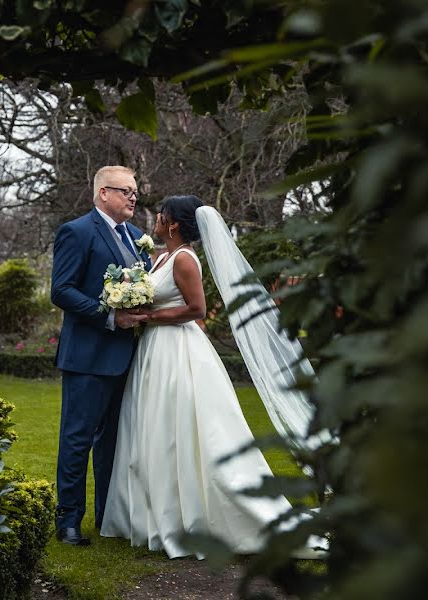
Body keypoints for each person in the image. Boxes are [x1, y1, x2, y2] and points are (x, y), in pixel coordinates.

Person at [100, 195, 322, 558]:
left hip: (179, 352)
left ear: (173, 223)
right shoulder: (162, 257)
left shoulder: (185, 259)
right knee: (155, 429)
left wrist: (148, 318)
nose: (157, 218)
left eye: (162, 214)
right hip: (154, 352)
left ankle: (200, 516)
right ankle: (152, 514)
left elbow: (197, 309)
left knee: (185, 430)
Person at [50, 166, 151, 546]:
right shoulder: (76, 232)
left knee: (115, 442)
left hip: (128, 357)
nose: (133, 198)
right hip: (87, 356)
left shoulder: (138, 238)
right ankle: (69, 521)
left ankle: (109, 515)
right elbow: (61, 290)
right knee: (77, 440)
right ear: (102, 193)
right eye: (126, 191)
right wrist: (109, 314)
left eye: (135, 193)